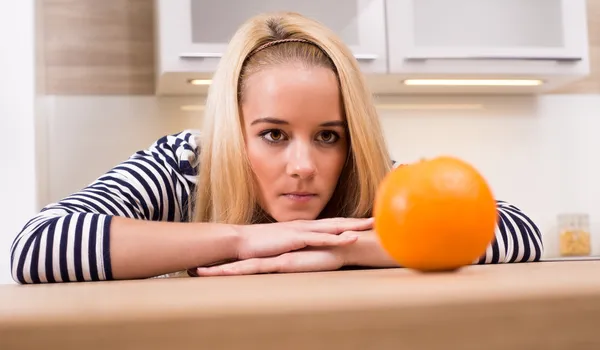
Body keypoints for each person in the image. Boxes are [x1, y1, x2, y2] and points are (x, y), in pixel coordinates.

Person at [9, 12, 543, 284]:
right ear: (233, 132)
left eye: (329, 136)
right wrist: (246, 240)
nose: (305, 166)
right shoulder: (184, 165)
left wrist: (344, 250)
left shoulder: (368, 176)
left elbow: (519, 232)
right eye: (273, 134)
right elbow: (36, 246)